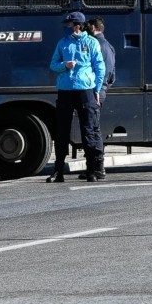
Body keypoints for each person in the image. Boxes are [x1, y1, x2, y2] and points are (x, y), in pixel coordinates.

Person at [47, 11, 108, 184]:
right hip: (65, 90)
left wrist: (96, 89)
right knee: (62, 132)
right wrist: (64, 66)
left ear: (77, 26)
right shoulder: (62, 43)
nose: (65, 28)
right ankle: (58, 171)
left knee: (88, 131)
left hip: (86, 90)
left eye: (68, 25)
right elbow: (53, 65)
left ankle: (91, 171)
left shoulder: (91, 42)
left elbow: (100, 68)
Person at [86, 17, 118, 111]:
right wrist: (103, 88)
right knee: (95, 123)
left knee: (90, 123)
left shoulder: (93, 45)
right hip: (101, 90)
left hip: (92, 90)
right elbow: (112, 77)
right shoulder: (109, 46)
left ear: (92, 27)